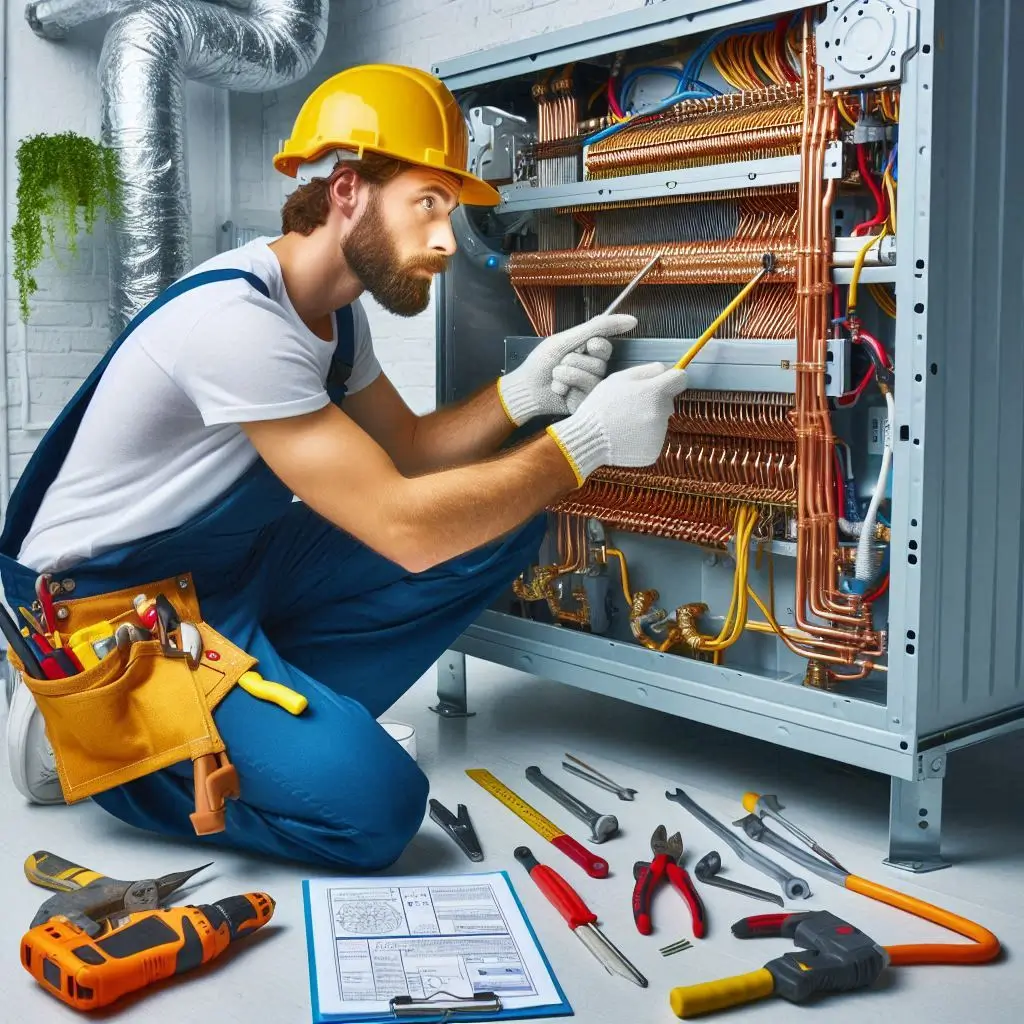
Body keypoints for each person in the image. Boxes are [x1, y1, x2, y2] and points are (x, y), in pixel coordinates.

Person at [0, 64, 687, 869]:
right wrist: (584, 445)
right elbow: (402, 525)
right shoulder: (237, 323)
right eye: (426, 204)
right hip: (114, 612)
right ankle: (101, 752)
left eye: (451, 211)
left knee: (499, 523)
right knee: (378, 808)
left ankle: (265, 712)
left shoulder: (335, 316)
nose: (443, 240)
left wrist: (523, 393)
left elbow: (410, 453)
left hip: (229, 573)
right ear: (349, 191)